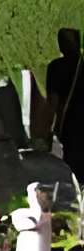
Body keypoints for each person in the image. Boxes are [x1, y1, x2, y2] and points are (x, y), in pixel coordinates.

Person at [48, 29, 82, 177]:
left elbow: (53, 101)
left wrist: (50, 126)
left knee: (73, 163)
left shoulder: (56, 67)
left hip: (70, 122)